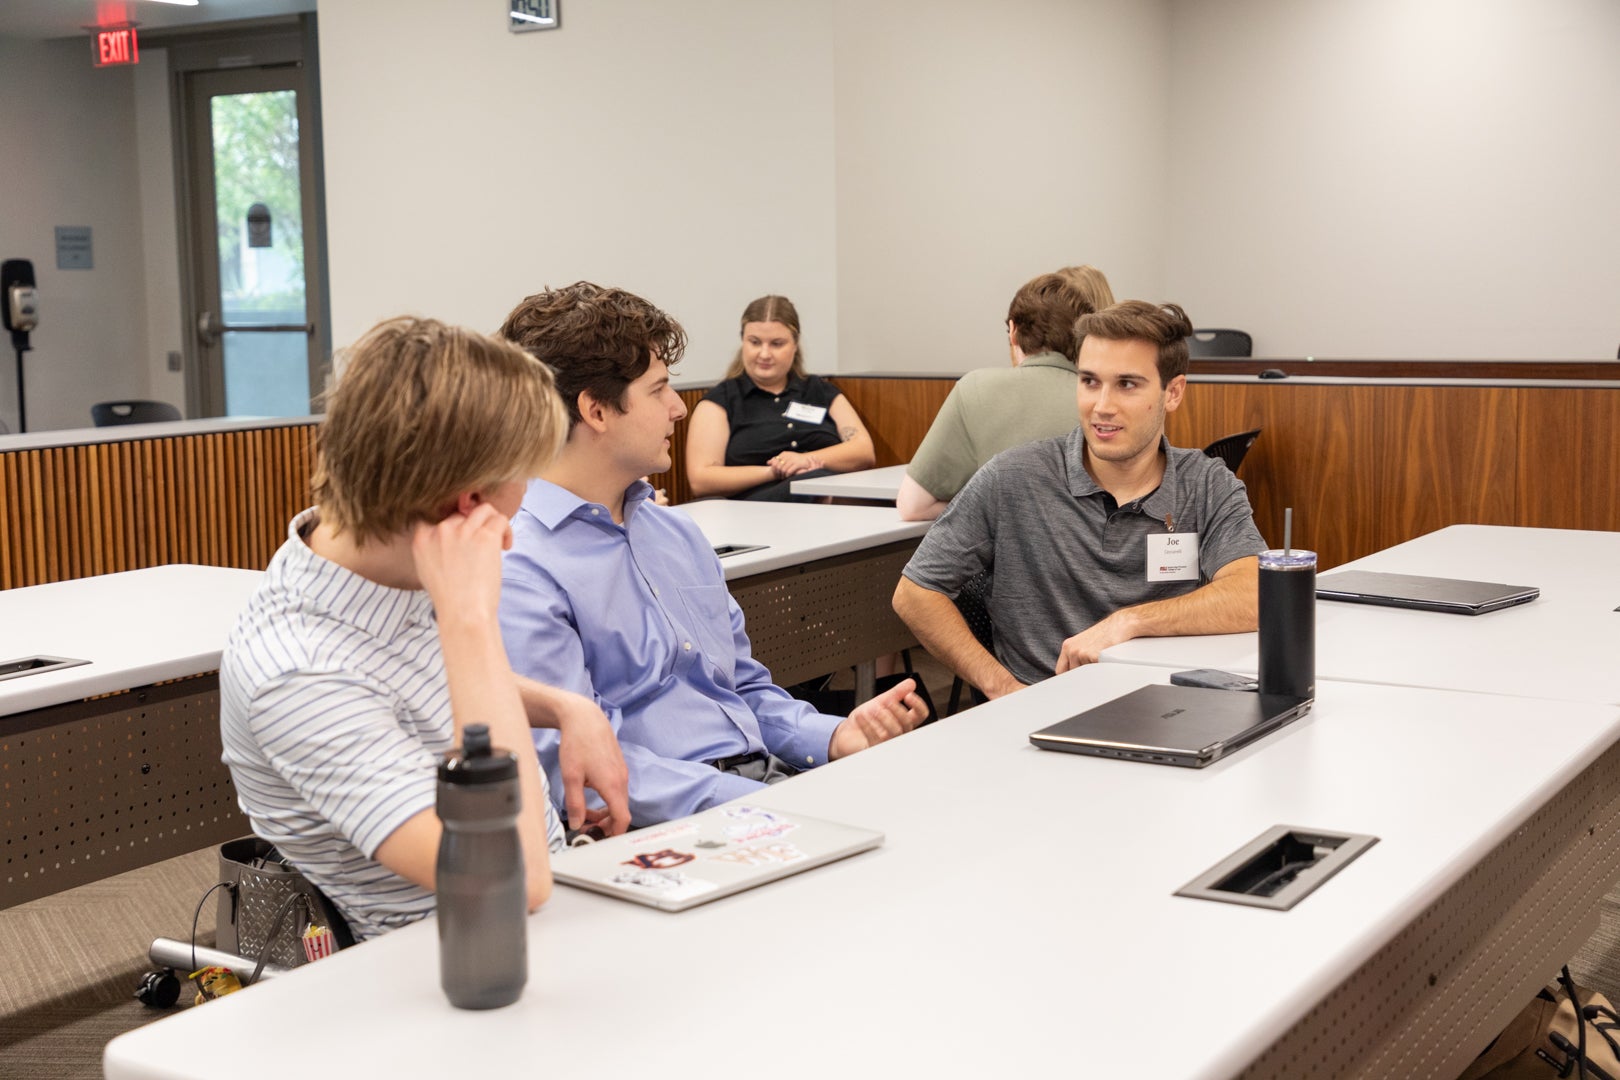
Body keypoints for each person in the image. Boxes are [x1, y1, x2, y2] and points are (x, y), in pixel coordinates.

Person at [219, 317, 630, 941]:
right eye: (524, 478)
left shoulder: (362, 557)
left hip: (558, 913)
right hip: (455, 958)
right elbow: (514, 880)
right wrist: (473, 623)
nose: (516, 524)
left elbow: (400, 687)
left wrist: (563, 706)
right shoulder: (297, 674)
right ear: (463, 504)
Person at [497, 282, 929, 826]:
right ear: (596, 411)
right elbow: (582, 772)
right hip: (673, 825)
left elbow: (742, 688)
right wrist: (760, 805)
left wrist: (835, 734)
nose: (678, 408)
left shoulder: (674, 534)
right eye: (659, 391)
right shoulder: (522, 565)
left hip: (755, 788)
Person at [892, 301, 1265, 696]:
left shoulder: (1206, 483)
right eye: (1089, 381)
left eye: (1127, 384)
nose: (1101, 407)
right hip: (1044, 707)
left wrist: (1130, 622)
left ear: (1173, 392)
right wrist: (1001, 687)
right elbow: (915, 593)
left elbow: (1256, 593)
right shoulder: (1015, 477)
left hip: (1166, 705)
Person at [897, 265, 1115, 521]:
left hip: (1003, 558)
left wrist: (993, 513)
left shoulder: (975, 389)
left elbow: (913, 505)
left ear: (1013, 331)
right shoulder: (1109, 400)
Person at [685, 295, 877, 501]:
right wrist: (777, 471)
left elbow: (864, 451)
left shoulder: (820, 390)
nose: (764, 354)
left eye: (777, 344)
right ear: (743, 341)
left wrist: (804, 460)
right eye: (755, 342)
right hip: (757, 507)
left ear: (795, 344)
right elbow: (701, 479)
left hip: (826, 490)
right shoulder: (721, 401)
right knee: (816, 486)